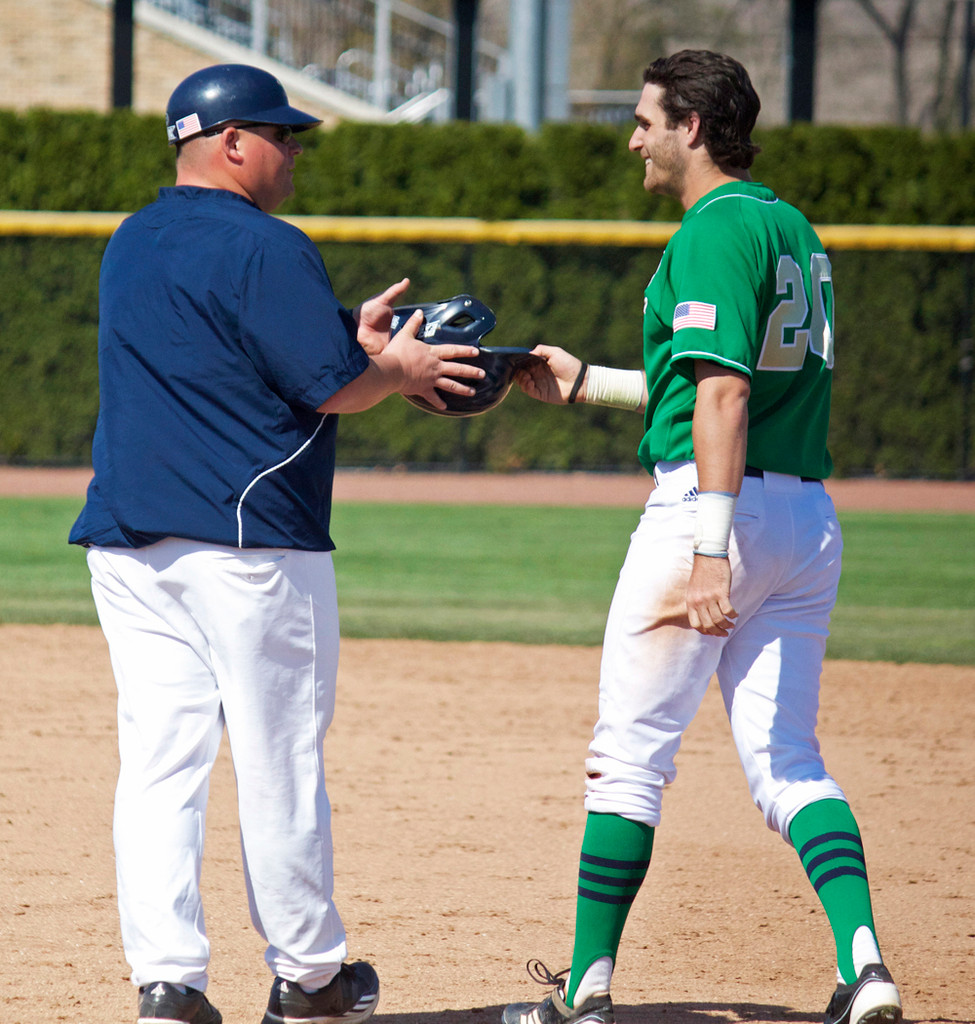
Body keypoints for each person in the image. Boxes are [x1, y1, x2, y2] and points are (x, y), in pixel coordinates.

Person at [68, 63, 484, 1024]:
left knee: (161, 764)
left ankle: (167, 984)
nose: (293, 153)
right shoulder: (268, 245)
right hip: (251, 547)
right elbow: (332, 387)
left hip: (131, 546)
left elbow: (220, 338)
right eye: (282, 136)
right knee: (279, 756)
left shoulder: (131, 239)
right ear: (231, 143)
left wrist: (350, 332)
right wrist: (401, 365)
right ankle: (309, 975)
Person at [500, 50, 902, 1024]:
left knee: (630, 753)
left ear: (693, 126)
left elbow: (721, 394)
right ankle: (869, 970)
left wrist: (711, 549)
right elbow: (722, 384)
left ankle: (587, 991)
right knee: (790, 763)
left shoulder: (713, 229)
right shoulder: (788, 226)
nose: (633, 135)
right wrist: (589, 381)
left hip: (710, 513)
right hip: (805, 520)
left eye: (646, 119)